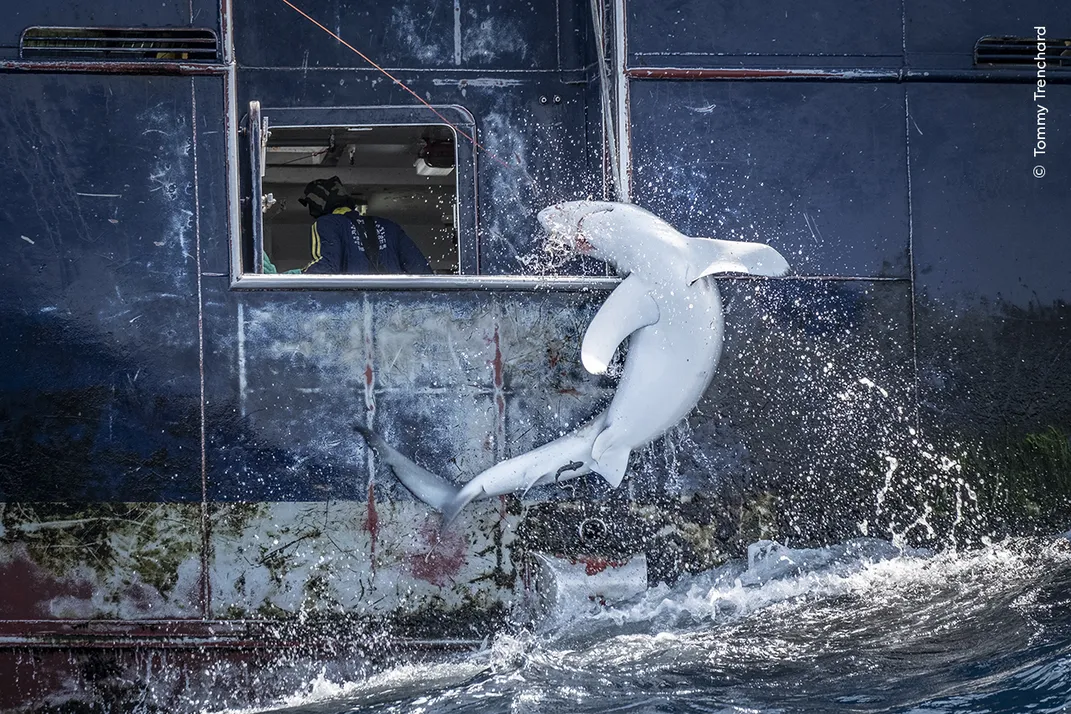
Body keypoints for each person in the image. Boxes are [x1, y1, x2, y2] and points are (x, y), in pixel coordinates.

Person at [298, 176, 432, 275]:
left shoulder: (327, 224)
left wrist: (295, 277)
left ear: (316, 206)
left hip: (353, 307)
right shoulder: (390, 227)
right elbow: (422, 271)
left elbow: (326, 268)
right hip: (392, 308)